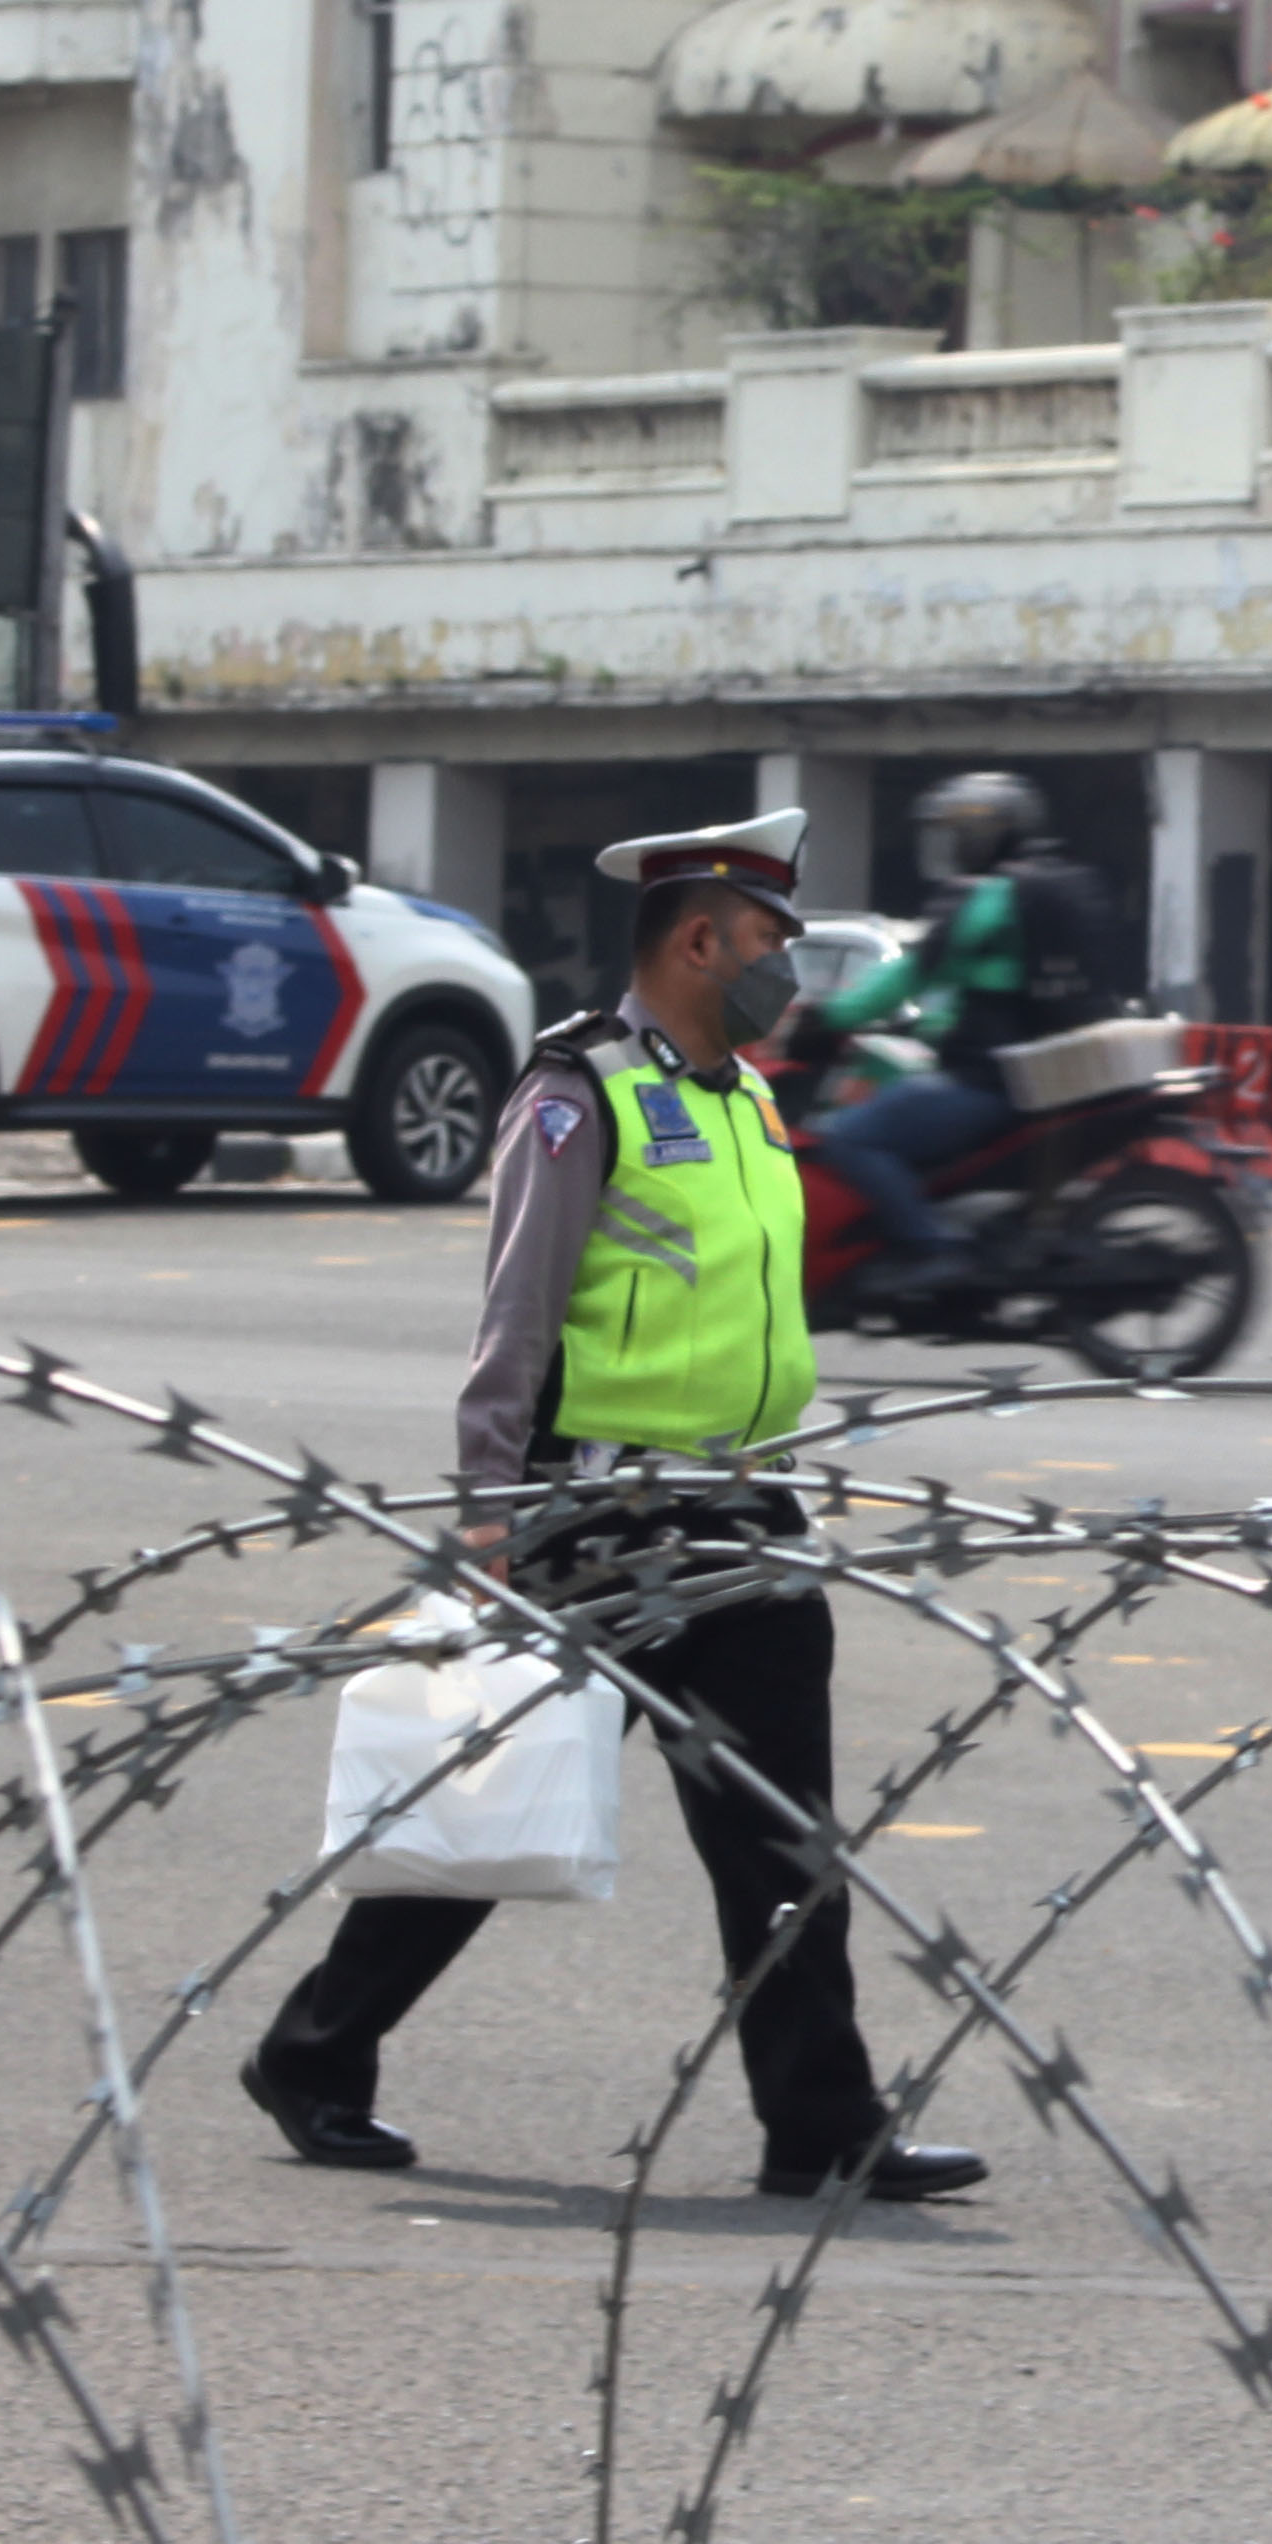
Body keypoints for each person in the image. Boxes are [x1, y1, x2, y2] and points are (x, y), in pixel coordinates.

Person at [241, 808, 987, 2204]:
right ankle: (315, 2052)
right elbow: (513, 1322)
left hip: (742, 1513)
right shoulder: (577, 1096)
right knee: (498, 1793)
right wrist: (486, 1524)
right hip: (599, 1520)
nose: (786, 969)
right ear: (699, 939)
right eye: (771, 941)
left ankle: (821, 2128)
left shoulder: (749, 1099)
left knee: (781, 1829)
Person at [813, 771, 1111, 1289]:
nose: (950, 847)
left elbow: (911, 971)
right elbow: (983, 982)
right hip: (1035, 1071)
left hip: (985, 1081)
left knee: (848, 1137)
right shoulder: (1054, 887)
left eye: (957, 834)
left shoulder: (987, 898)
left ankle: (932, 1246)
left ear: (985, 834)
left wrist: (830, 1017)